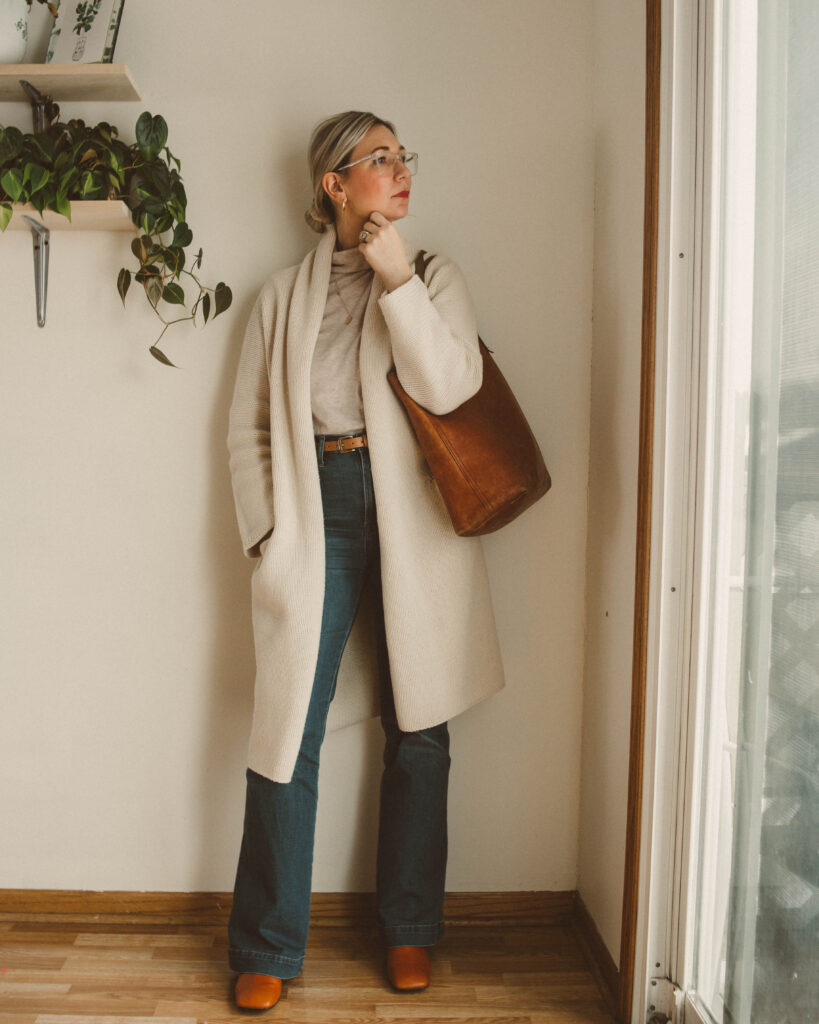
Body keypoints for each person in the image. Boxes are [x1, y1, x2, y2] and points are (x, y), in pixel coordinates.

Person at [226, 110, 506, 1013]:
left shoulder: (430, 275)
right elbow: (249, 432)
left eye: (401, 155)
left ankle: (410, 929)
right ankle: (268, 942)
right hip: (320, 512)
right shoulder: (281, 297)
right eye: (376, 158)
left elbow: (450, 387)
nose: (398, 170)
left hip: (413, 515)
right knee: (285, 731)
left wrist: (396, 281)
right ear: (333, 185)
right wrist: (269, 534)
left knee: (418, 726)